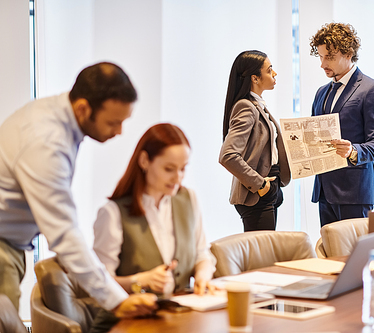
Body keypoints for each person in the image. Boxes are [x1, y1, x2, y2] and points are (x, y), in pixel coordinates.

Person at [0, 62, 157, 317]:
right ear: (83, 108)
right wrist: (117, 301)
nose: (119, 132)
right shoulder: (46, 142)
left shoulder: (57, 116)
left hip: (12, 244)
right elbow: (63, 233)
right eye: (113, 122)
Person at [93, 123, 215, 296]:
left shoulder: (189, 199)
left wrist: (203, 276)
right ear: (144, 161)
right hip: (131, 318)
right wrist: (140, 281)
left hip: (181, 313)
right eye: (169, 169)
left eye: (183, 168)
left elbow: (202, 254)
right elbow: (99, 282)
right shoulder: (113, 213)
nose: (178, 178)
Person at [309, 22, 374, 227]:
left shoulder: (372, 89)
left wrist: (353, 150)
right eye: (320, 56)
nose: (322, 64)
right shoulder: (321, 92)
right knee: (330, 257)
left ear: (348, 52)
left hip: (355, 193)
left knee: (355, 257)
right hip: (324, 191)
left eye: (329, 57)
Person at [219, 50, 291, 232]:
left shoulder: (257, 105)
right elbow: (227, 155)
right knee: (262, 258)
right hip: (257, 192)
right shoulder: (246, 107)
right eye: (269, 70)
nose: (274, 74)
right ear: (255, 78)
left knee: (266, 252)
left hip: (270, 186)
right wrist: (260, 185)